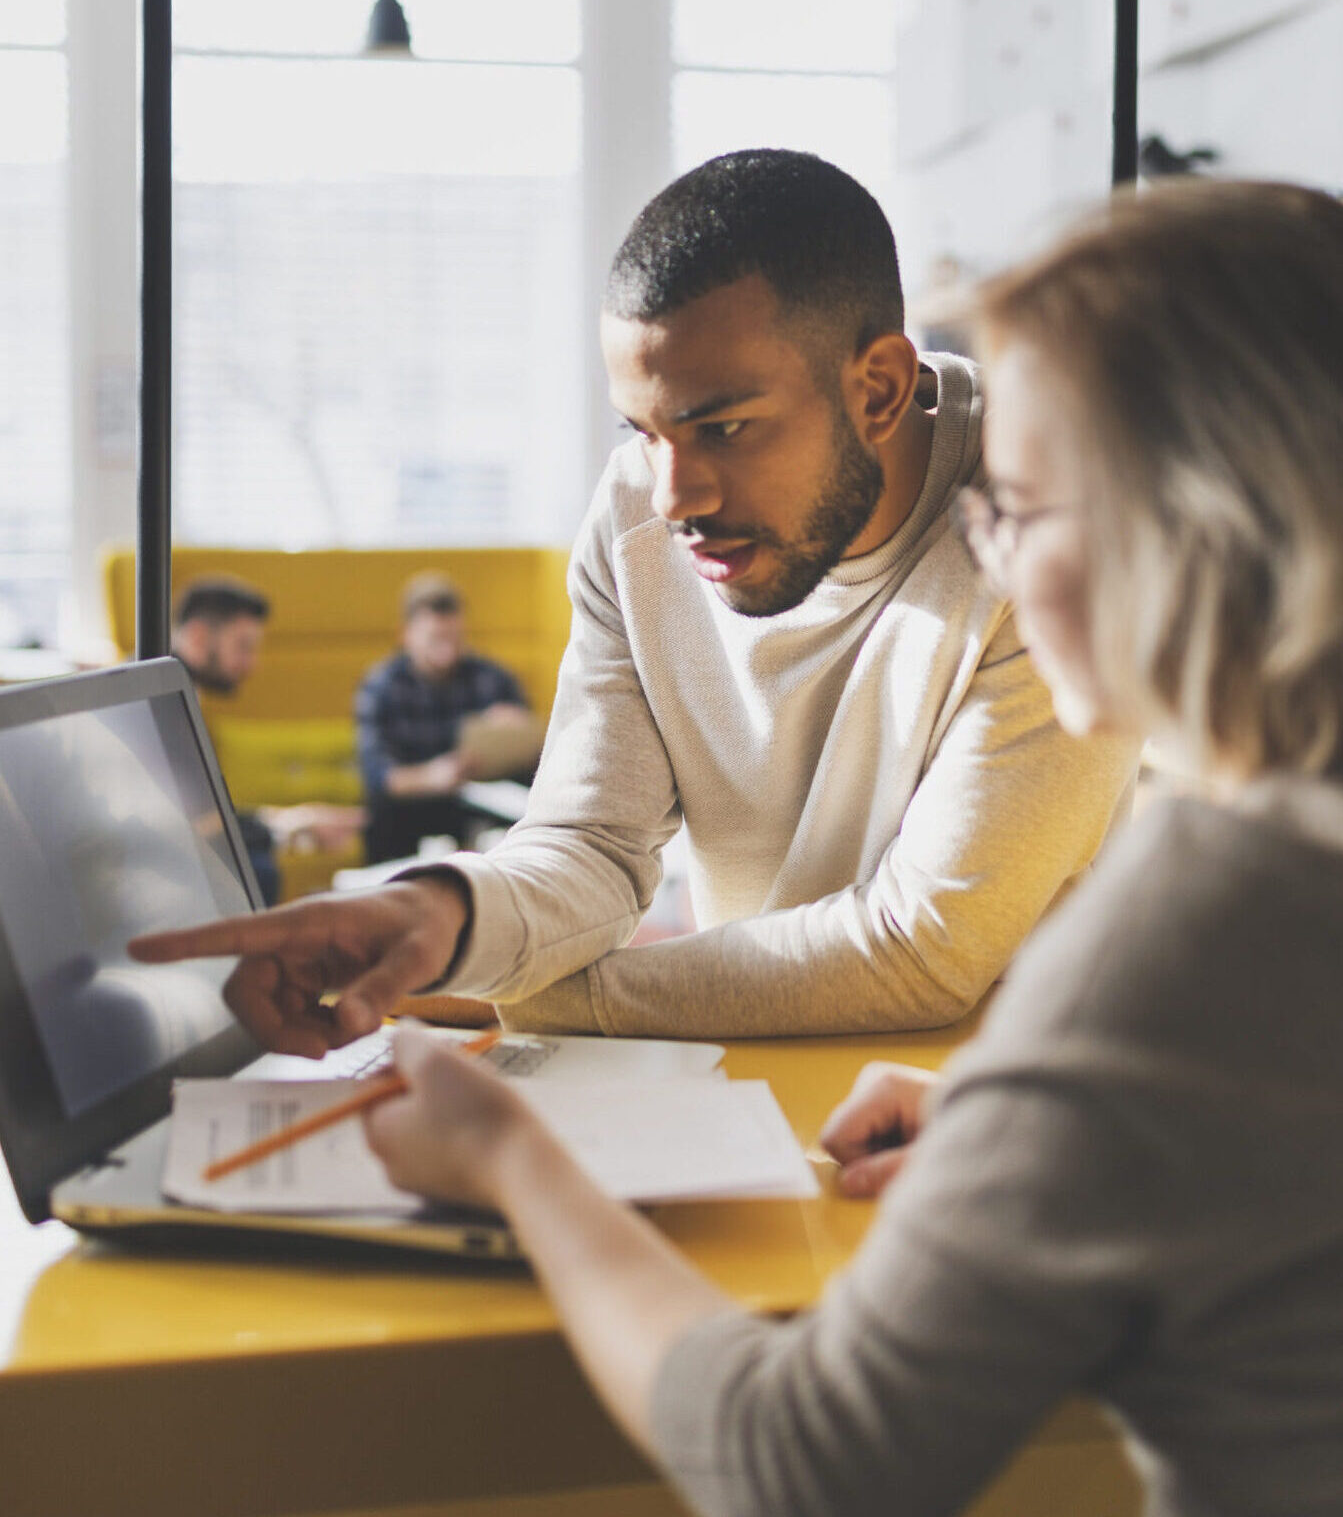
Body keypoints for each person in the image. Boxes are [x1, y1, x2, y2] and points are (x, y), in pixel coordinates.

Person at [360, 182, 1343, 1515]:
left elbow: (801, 1467)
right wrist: (1057, 1126)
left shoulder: (1194, 925)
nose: (989, 545)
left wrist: (511, 1156)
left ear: (1195, 530)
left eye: (1021, 506)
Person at [132, 150, 1139, 1041]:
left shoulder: (1051, 536)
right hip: (743, 1081)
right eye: (643, 432)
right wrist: (442, 920)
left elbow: (921, 950)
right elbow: (592, 844)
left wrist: (503, 993)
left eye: (724, 428)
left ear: (877, 390)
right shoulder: (637, 520)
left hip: (988, 1109)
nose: (675, 496)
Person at [172, 577, 363, 904]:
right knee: (258, 869)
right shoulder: (166, 702)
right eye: (244, 647)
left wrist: (291, 820)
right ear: (199, 637)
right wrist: (287, 827)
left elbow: (204, 813)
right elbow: (187, 825)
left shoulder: (184, 691)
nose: (253, 664)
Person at [355, 571, 541, 863]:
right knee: (385, 813)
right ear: (405, 635)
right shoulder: (382, 687)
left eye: (455, 637)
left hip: (481, 798)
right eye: (435, 638)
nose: (447, 649)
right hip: (416, 806)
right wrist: (434, 776)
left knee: (525, 804)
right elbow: (379, 776)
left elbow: (537, 755)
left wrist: (515, 732)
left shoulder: (493, 678)